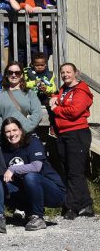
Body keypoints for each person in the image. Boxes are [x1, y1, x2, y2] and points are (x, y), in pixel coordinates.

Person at [0, 117, 65, 231]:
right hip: (28, 190)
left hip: (54, 192)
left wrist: (13, 169)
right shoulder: (4, 149)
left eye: (14, 130)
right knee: (1, 184)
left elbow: (36, 167)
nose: (12, 134)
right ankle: (24, 211)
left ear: (20, 130)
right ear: (4, 134)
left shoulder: (32, 142)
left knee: (30, 176)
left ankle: (38, 217)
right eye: (8, 131)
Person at [49, 62, 95, 219]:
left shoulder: (82, 91)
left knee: (75, 171)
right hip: (62, 134)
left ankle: (71, 207)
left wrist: (56, 109)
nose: (65, 75)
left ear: (76, 73)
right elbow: (58, 96)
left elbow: (74, 111)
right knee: (68, 170)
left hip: (77, 133)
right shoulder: (63, 89)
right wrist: (54, 97)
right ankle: (87, 205)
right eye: (62, 72)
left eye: (68, 72)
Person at [0, 62, 42, 135]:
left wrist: (24, 130)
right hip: (7, 137)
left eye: (17, 73)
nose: (14, 75)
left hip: (26, 135)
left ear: (21, 75)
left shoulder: (29, 93)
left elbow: (37, 114)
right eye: (10, 72)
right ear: (6, 75)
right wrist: (6, 131)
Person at [14, 0, 49, 64]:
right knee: (22, 66)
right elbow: (12, 5)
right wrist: (24, 5)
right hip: (22, 40)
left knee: (41, 66)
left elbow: (46, 6)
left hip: (39, 39)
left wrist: (40, 8)